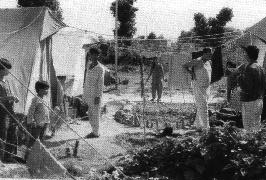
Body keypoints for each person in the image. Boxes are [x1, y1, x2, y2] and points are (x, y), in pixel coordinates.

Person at [237, 45, 266, 132]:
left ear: (247, 55)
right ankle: (257, 144)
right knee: (256, 126)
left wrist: (239, 78)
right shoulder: (260, 67)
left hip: (250, 101)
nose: (243, 55)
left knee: (248, 127)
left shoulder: (249, 68)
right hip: (259, 100)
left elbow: (247, 88)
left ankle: (250, 144)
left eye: (244, 53)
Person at [183, 48, 212, 130]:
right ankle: (206, 128)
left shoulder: (209, 62)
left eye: (211, 54)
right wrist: (191, 72)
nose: (210, 56)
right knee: (204, 106)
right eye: (209, 54)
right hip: (198, 85)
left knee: (201, 106)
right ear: (204, 54)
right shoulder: (197, 61)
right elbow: (185, 66)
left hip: (206, 87)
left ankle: (198, 125)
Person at [0, 58, 19, 163]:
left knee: (13, 132)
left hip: (9, 111)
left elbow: (8, 95)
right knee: (2, 134)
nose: (9, 71)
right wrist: (8, 98)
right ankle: (1, 159)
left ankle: (9, 156)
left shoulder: (6, 82)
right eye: (7, 69)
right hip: (1, 113)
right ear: (1, 69)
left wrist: (13, 98)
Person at [83, 48, 104, 138]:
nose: (92, 56)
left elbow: (100, 83)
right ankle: (93, 131)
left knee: (95, 114)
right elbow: (86, 80)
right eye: (91, 54)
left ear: (97, 56)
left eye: (94, 54)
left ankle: (96, 133)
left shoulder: (100, 68)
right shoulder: (88, 65)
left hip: (95, 94)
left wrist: (98, 96)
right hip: (88, 93)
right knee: (90, 113)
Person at [27, 80, 50, 148]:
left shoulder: (45, 99)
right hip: (37, 124)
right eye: (46, 89)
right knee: (34, 140)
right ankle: (28, 156)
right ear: (40, 90)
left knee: (41, 140)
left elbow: (46, 111)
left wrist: (48, 121)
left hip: (44, 123)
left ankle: (37, 155)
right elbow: (31, 111)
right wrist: (32, 121)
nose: (47, 91)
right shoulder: (36, 99)